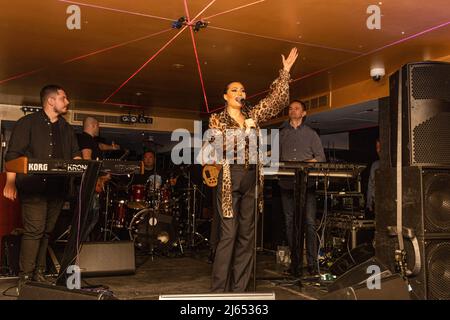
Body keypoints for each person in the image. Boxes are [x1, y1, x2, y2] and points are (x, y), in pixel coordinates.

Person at [207, 48, 299, 292]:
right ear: (225, 96)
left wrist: (285, 73)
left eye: (243, 90)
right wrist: (245, 132)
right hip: (230, 178)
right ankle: (219, 292)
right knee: (228, 235)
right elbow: (219, 147)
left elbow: (276, 101)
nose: (240, 93)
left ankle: (240, 291)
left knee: (248, 237)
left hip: (251, 179)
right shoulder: (217, 120)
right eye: (234, 90)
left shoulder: (252, 114)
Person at [2, 85, 81, 289]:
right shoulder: (27, 123)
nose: (67, 102)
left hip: (57, 189)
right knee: (34, 230)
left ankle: (38, 273)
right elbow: (12, 156)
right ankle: (25, 277)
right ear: (51, 101)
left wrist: (81, 165)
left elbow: (76, 155)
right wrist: (10, 182)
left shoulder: (67, 128)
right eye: (63, 98)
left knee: (46, 231)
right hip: (33, 186)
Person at [279, 100, 326, 276]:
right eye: (290, 108)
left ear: (304, 113)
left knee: (309, 223)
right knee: (290, 223)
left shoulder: (311, 134)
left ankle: (313, 264)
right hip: (286, 184)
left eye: (297, 108)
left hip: (307, 185)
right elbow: (275, 158)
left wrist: (304, 164)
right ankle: (295, 264)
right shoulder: (282, 134)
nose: (293, 110)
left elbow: (321, 157)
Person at [366, 138, 380, 216]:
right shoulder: (375, 165)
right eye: (376, 147)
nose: (378, 150)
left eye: (379, 147)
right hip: (377, 204)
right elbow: (370, 185)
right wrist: (369, 203)